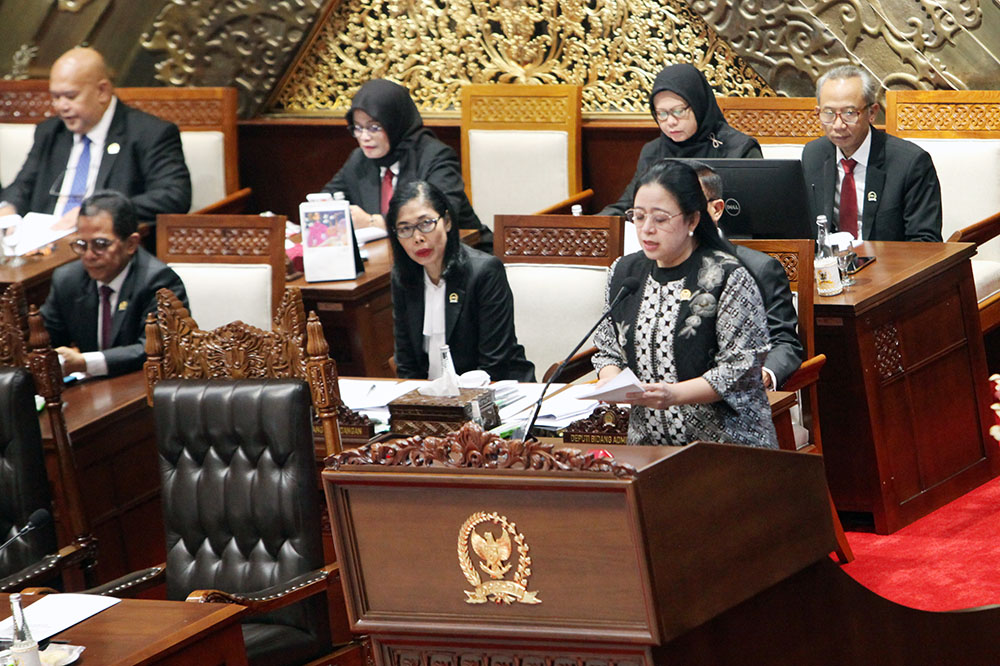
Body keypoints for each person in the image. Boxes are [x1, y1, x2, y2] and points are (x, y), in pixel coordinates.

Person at [592, 159, 777, 448]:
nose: (646, 229)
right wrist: (612, 381)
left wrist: (673, 395)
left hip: (726, 448)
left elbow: (739, 368)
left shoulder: (727, 276)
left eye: (660, 219)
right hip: (648, 446)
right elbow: (607, 350)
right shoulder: (624, 272)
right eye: (638, 217)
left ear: (692, 219)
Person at [0, 47, 191, 227]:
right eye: (56, 97)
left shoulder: (148, 133)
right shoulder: (50, 131)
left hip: (105, 248)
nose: (61, 106)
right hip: (42, 244)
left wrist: (98, 212)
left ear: (102, 91)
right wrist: (9, 207)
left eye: (70, 96)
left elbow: (173, 196)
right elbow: (22, 186)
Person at [387, 180, 534, 382]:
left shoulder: (484, 272)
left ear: (447, 221)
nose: (418, 237)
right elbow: (406, 365)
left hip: (496, 393)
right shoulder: (403, 278)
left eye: (426, 224)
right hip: (436, 400)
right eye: (405, 229)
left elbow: (494, 365)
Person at [323, 79, 492, 251]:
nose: (364, 137)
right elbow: (325, 199)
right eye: (357, 128)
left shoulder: (436, 156)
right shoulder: (360, 159)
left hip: (462, 254)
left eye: (374, 127)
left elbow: (438, 217)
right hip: (396, 257)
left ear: (394, 123)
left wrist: (371, 222)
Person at [40, 190, 188, 378]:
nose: (89, 255)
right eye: (82, 244)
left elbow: (154, 350)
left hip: (144, 387)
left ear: (131, 244)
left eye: (100, 244)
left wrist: (85, 362)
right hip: (90, 390)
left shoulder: (159, 282)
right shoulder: (68, 279)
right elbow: (45, 339)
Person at [692, 161, 804, 389]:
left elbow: (785, 343)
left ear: (716, 209)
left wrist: (763, 374)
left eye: (688, 206)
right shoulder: (644, 270)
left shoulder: (759, 269)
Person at [600, 63, 762, 216]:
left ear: (699, 105)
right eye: (662, 114)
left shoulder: (739, 149)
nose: (670, 122)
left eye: (678, 111)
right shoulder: (653, 152)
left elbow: (757, 211)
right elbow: (628, 205)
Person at [802, 65, 942, 242]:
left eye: (849, 113)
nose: (838, 125)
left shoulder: (911, 163)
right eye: (828, 113)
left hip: (890, 265)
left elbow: (925, 241)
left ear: (872, 113)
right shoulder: (814, 154)